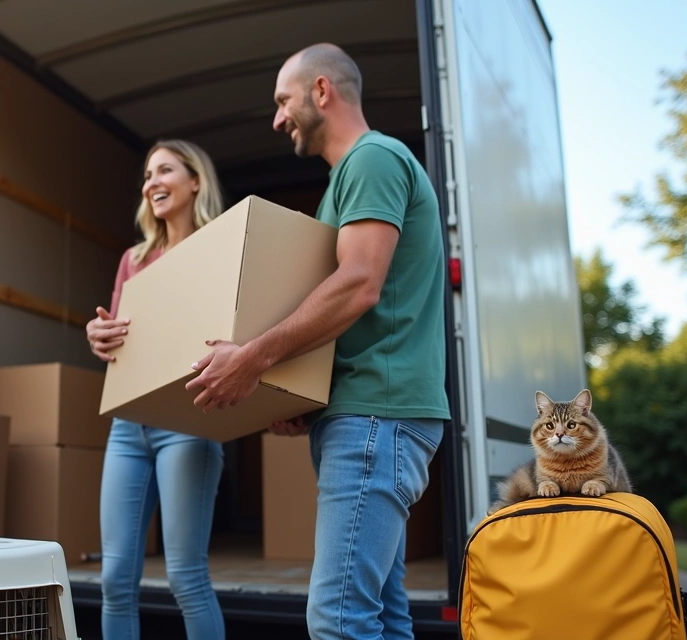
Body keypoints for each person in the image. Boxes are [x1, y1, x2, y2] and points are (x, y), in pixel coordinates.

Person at [185, 43, 451, 640]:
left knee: (337, 620)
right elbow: (356, 316)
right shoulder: (344, 182)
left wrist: (253, 358)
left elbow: (358, 285)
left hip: (377, 416)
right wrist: (304, 400)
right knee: (382, 616)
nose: (278, 119)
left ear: (322, 91)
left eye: (284, 101)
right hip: (364, 414)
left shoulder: (372, 159)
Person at [86, 139, 228, 640]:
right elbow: (121, 339)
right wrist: (98, 336)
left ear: (195, 181)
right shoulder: (134, 259)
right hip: (129, 428)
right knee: (113, 579)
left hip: (187, 425)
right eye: (147, 175)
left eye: (164, 170)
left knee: (186, 577)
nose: (151, 184)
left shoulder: (221, 247)